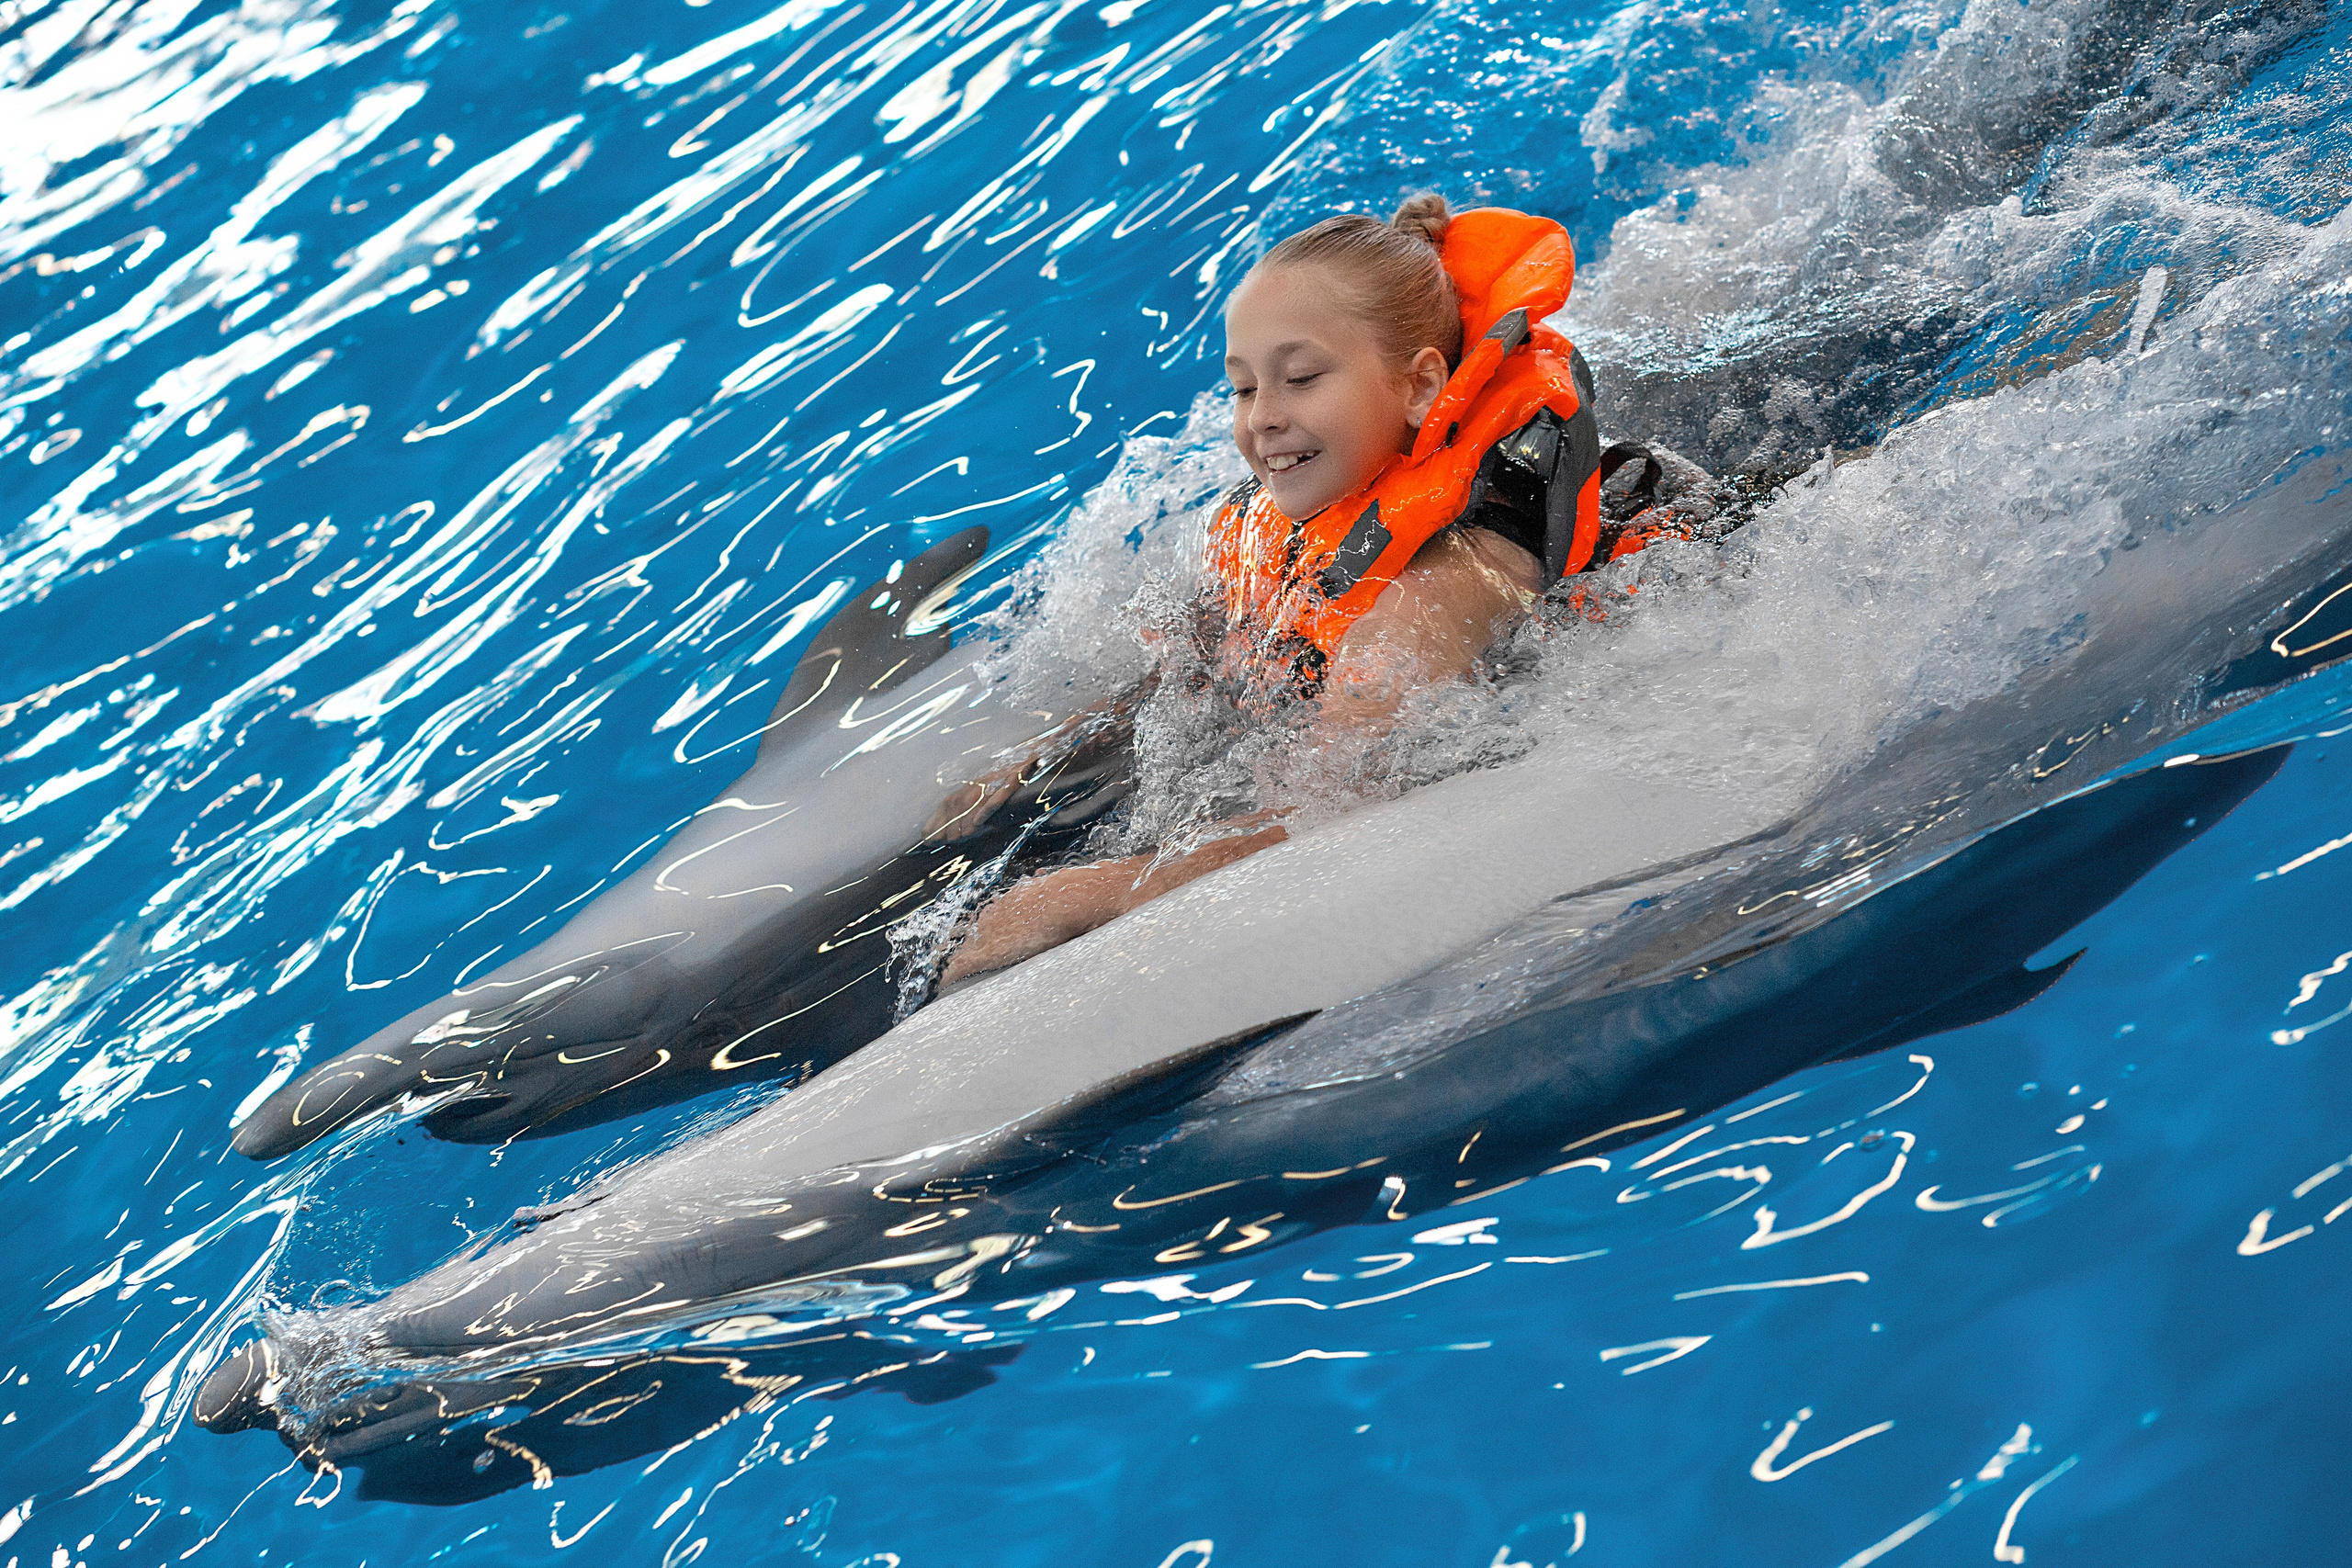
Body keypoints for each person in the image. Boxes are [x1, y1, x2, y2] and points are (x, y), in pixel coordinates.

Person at [936, 193, 1629, 986]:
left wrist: (1112, 889)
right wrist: (1043, 759)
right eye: (1242, 388)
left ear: (1418, 387)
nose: (1261, 419)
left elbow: (1337, 812)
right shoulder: (1317, 504)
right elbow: (1205, 646)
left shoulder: (1440, 591)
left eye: (1300, 378)